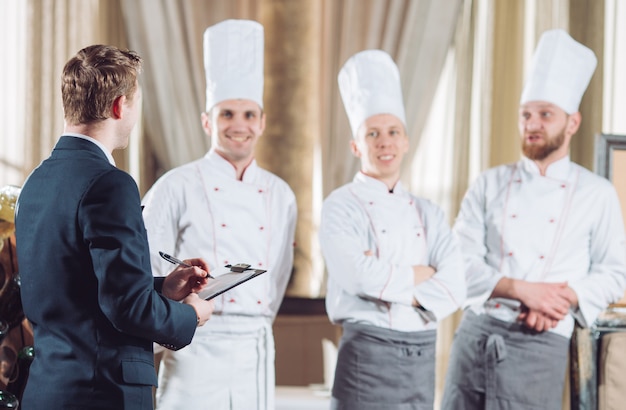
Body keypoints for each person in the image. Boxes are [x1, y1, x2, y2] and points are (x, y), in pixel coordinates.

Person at [14, 44, 215, 410]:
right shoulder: (111, 183)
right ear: (120, 106)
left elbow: (74, 287)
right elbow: (128, 308)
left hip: (46, 389)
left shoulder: (35, 182)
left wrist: (163, 288)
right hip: (102, 393)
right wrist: (190, 315)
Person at [441, 29, 626, 410]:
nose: (533, 124)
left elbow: (615, 272)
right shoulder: (488, 182)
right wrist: (524, 291)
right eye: (526, 114)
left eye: (545, 115)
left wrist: (562, 299)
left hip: (542, 343)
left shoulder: (597, 193)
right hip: (477, 337)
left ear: (572, 122)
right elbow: (457, 262)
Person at [141, 19, 297, 410]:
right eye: (227, 114)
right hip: (196, 343)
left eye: (248, 115)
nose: (239, 125)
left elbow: (276, 276)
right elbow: (147, 269)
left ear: (262, 122)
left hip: (256, 348)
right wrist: (177, 324)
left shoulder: (281, 194)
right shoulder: (175, 185)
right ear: (207, 121)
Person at [319, 49, 466, 410]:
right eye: (373, 134)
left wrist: (386, 277)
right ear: (357, 145)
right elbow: (357, 277)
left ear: (405, 141)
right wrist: (423, 274)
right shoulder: (341, 204)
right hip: (367, 351)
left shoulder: (429, 211)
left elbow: (457, 285)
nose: (384, 142)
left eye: (392, 132)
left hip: (421, 353)